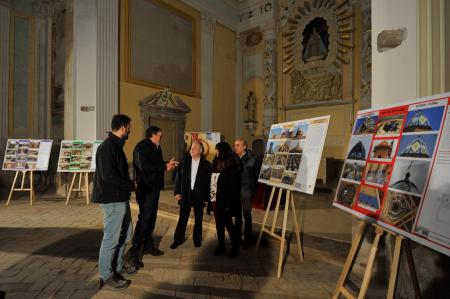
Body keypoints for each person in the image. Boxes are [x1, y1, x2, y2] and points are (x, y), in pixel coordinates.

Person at [92, 114, 136, 290]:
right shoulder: (107, 147)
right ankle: (105, 274)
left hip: (120, 197)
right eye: (129, 127)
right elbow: (107, 176)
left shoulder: (115, 146)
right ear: (123, 127)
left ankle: (117, 266)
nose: (130, 130)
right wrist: (131, 184)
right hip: (111, 199)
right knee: (111, 238)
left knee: (127, 233)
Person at [128, 126, 178, 267]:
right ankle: (135, 251)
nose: (161, 138)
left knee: (151, 218)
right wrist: (163, 166)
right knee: (144, 219)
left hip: (153, 188)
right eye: (160, 136)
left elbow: (154, 164)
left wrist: (167, 163)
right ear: (153, 135)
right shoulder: (143, 146)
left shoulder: (155, 147)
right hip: (146, 188)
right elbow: (144, 166)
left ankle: (148, 246)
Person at [170, 141, 211, 249]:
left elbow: (208, 183)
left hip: (199, 195)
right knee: (183, 218)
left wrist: (207, 198)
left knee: (198, 219)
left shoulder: (207, 165)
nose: (192, 149)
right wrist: (177, 192)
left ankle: (197, 240)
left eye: (195, 148)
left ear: (201, 151)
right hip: (185, 194)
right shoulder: (184, 162)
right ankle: (177, 240)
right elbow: (178, 178)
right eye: (191, 148)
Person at [210, 142, 242, 258]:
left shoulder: (232, 162)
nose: (216, 152)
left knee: (228, 223)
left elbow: (233, 185)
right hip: (214, 197)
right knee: (219, 223)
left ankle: (235, 247)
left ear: (222, 150)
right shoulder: (216, 161)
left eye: (217, 150)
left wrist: (229, 202)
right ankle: (221, 245)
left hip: (225, 198)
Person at [234, 138, 258, 248]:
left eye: (238, 145)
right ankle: (237, 237)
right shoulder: (233, 158)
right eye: (235, 145)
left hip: (246, 189)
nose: (236, 147)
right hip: (236, 189)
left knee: (246, 214)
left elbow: (252, 173)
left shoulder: (251, 158)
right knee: (237, 214)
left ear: (244, 147)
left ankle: (248, 238)